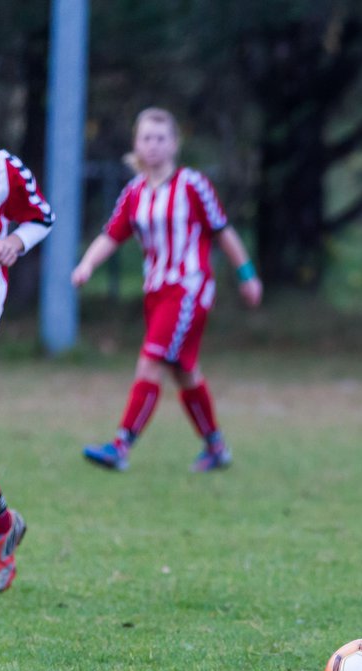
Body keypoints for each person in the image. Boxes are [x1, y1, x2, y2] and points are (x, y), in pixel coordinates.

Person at [72, 108, 262, 473]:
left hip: (188, 289)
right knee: (184, 371)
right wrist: (87, 265)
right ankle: (216, 447)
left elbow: (223, 232)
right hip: (156, 292)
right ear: (136, 144)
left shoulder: (192, 185)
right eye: (146, 138)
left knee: (151, 361)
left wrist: (247, 274)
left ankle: (120, 446)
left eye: (161, 138)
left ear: (175, 144)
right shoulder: (135, 192)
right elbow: (112, 235)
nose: (154, 145)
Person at [0, 64, 54, 592]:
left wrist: (16, 242)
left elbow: (40, 216)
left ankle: (2, 527)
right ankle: (3, 525)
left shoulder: (4, 169)